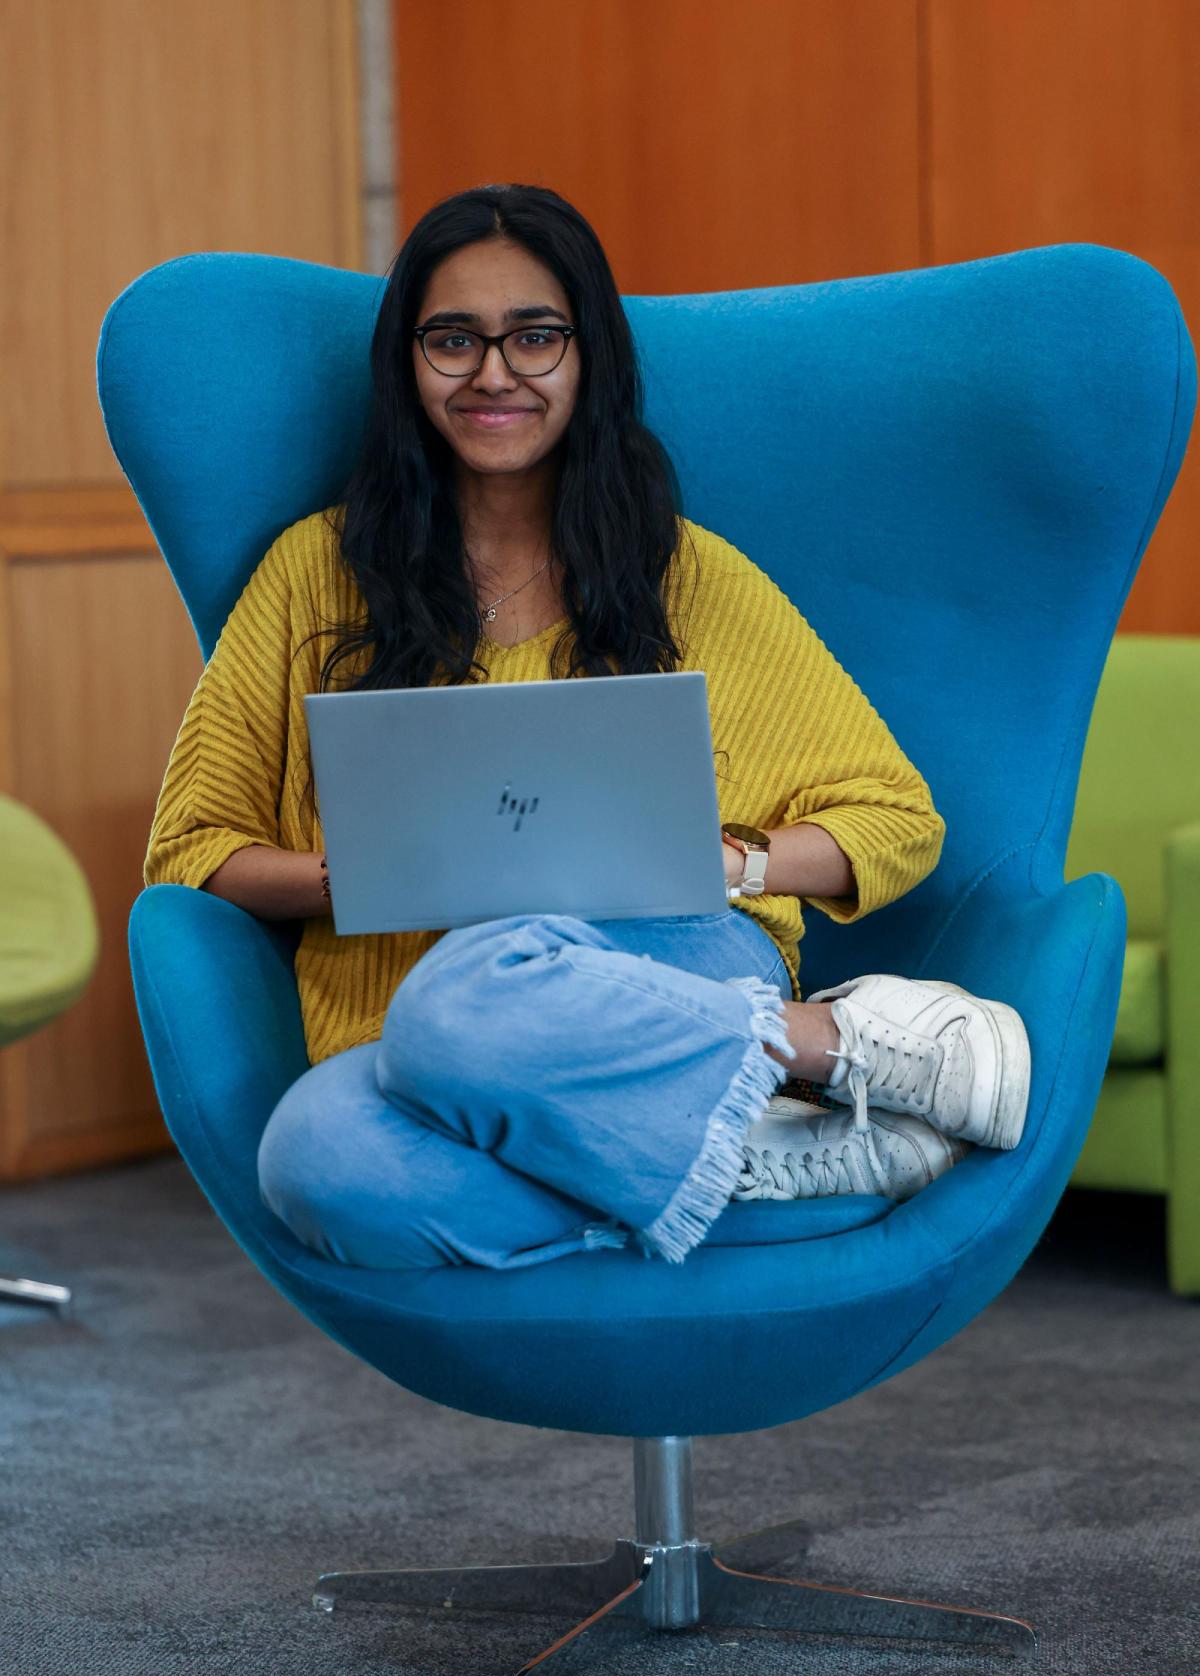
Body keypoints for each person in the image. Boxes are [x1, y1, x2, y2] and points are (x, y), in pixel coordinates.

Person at [144, 182, 1030, 1271]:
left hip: (660, 973)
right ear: (407, 363)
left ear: (587, 357)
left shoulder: (688, 576)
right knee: (316, 1157)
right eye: (454, 339)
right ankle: (749, 1157)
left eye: (535, 337)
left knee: (460, 998)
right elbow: (193, 850)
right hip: (404, 1049)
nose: (494, 374)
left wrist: (735, 864)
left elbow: (898, 821)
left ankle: (841, 1044)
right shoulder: (311, 576)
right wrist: (359, 873)